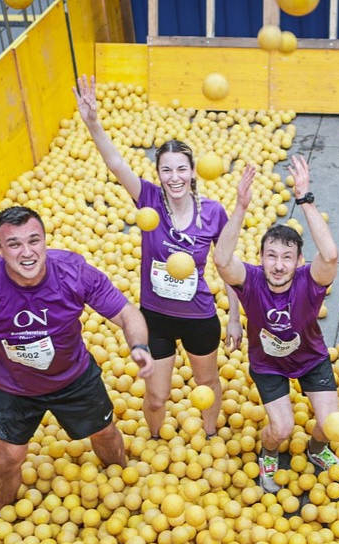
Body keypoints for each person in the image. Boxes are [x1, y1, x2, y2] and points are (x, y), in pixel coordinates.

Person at [0, 207, 154, 511]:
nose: (27, 252)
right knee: (7, 457)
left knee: (105, 433)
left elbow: (126, 313)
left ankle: (120, 478)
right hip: (12, 387)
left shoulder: (73, 272)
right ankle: (1, 517)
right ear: (0, 250)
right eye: (14, 244)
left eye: (34, 240)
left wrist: (140, 347)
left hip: (74, 377)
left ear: (45, 241)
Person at [74, 75, 241, 440]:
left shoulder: (212, 212)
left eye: (182, 168)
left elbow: (228, 266)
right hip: (156, 318)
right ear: (158, 174)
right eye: (167, 169)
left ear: (194, 171)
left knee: (208, 381)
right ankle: (153, 438)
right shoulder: (148, 199)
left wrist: (235, 319)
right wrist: (93, 123)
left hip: (199, 316)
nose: (174, 176)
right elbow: (116, 163)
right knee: (155, 396)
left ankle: (211, 434)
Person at [214, 157, 339, 493]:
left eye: (287, 257)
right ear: (260, 259)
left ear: (300, 262)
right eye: (271, 256)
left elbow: (329, 256)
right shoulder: (252, 280)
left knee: (331, 424)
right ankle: (268, 451)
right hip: (267, 364)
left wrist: (305, 199)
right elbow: (222, 260)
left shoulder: (309, 281)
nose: (279, 265)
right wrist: (240, 208)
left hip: (311, 358)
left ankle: (316, 449)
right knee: (281, 428)